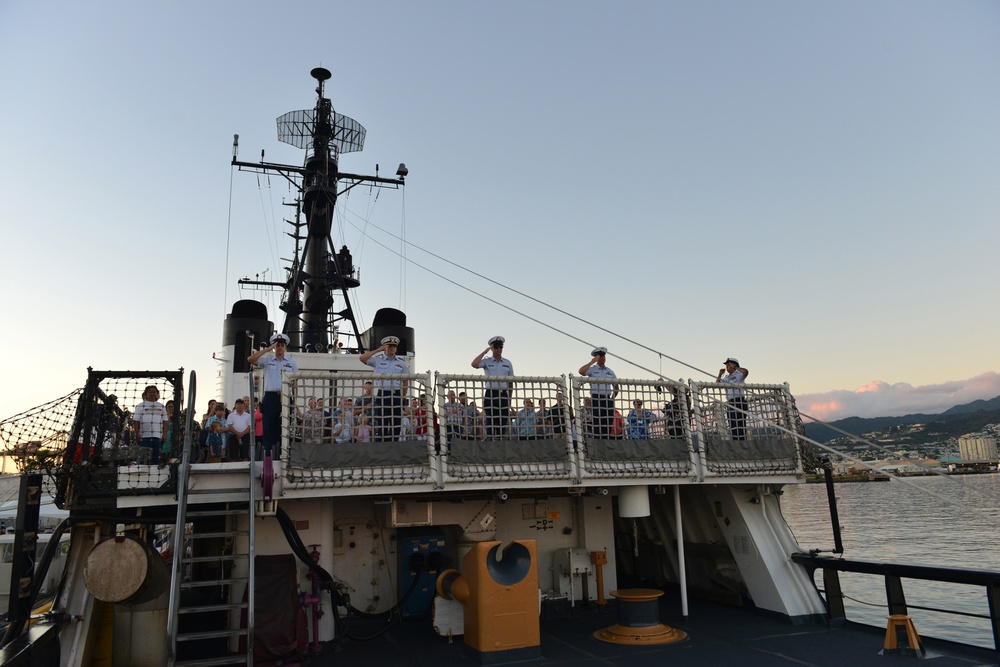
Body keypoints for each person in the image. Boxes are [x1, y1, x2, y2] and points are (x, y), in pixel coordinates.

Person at [247, 333, 299, 456]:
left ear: (285, 347)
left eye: (282, 345)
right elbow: (250, 359)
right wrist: (268, 349)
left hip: (286, 397)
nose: (280, 347)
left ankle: (283, 453)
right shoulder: (267, 361)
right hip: (270, 397)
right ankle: (268, 454)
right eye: (278, 345)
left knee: (284, 426)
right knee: (268, 426)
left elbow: (295, 383)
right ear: (275, 347)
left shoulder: (291, 363)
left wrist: (294, 402)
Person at [359, 336, 409, 441]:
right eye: (389, 346)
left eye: (394, 346)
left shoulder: (402, 363)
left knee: (396, 424)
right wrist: (377, 350)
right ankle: (383, 447)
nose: (392, 348)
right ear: (385, 347)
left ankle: (394, 446)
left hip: (396, 394)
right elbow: (362, 358)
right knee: (382, 423)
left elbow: (405, 381)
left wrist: (402, 397)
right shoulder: (377, 360)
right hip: (382, 394)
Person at [472, 336, 514, 439]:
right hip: (491, 393)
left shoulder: (507, 363)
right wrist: (484, 352)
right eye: (496, 347)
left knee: (502, 421)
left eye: (501, 346)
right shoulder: (487, 361)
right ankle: (490, 442)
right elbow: (474, 364)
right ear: (492, 348)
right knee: (490, 420)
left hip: (503, 394)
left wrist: (509, 398)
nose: (499, 349)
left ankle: (500, 442)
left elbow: (511, 382)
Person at [579, 347, 618, 439]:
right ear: (596, 357)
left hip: (607, 399)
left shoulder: (610, 371)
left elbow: (616, 386)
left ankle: (606, 444)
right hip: (596, 399)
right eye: (600, 356)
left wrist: (612, 399)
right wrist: (592, 362)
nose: (603, 358)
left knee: (608, 424)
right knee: (597, 424)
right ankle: (598, 445)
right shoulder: (592, 369)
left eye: (604, 356)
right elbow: (581, 371)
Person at [133, 385, 168, 465]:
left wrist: (164, 434)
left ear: (157, 394)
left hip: (157, 436)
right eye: (150, 392)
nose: (152, 394)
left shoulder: (161, 406)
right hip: (144, 436)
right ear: (146, 394)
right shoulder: (140, 406)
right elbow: (136, 420)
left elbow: (165, 421)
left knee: (156, 458)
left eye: (154, 392)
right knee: (143, 457)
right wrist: (137, 434)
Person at [717, 357, 750, 441]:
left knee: (740, 425)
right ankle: (736, 444)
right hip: (730, 403)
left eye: (728, 364)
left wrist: (735, 367)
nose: (727, 366)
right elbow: (717, 384)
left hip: (739, 402)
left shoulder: (738, 374)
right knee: (733, 426)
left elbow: (746, 372)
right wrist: (720, 374)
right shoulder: (727, 377)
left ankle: (742, 443)